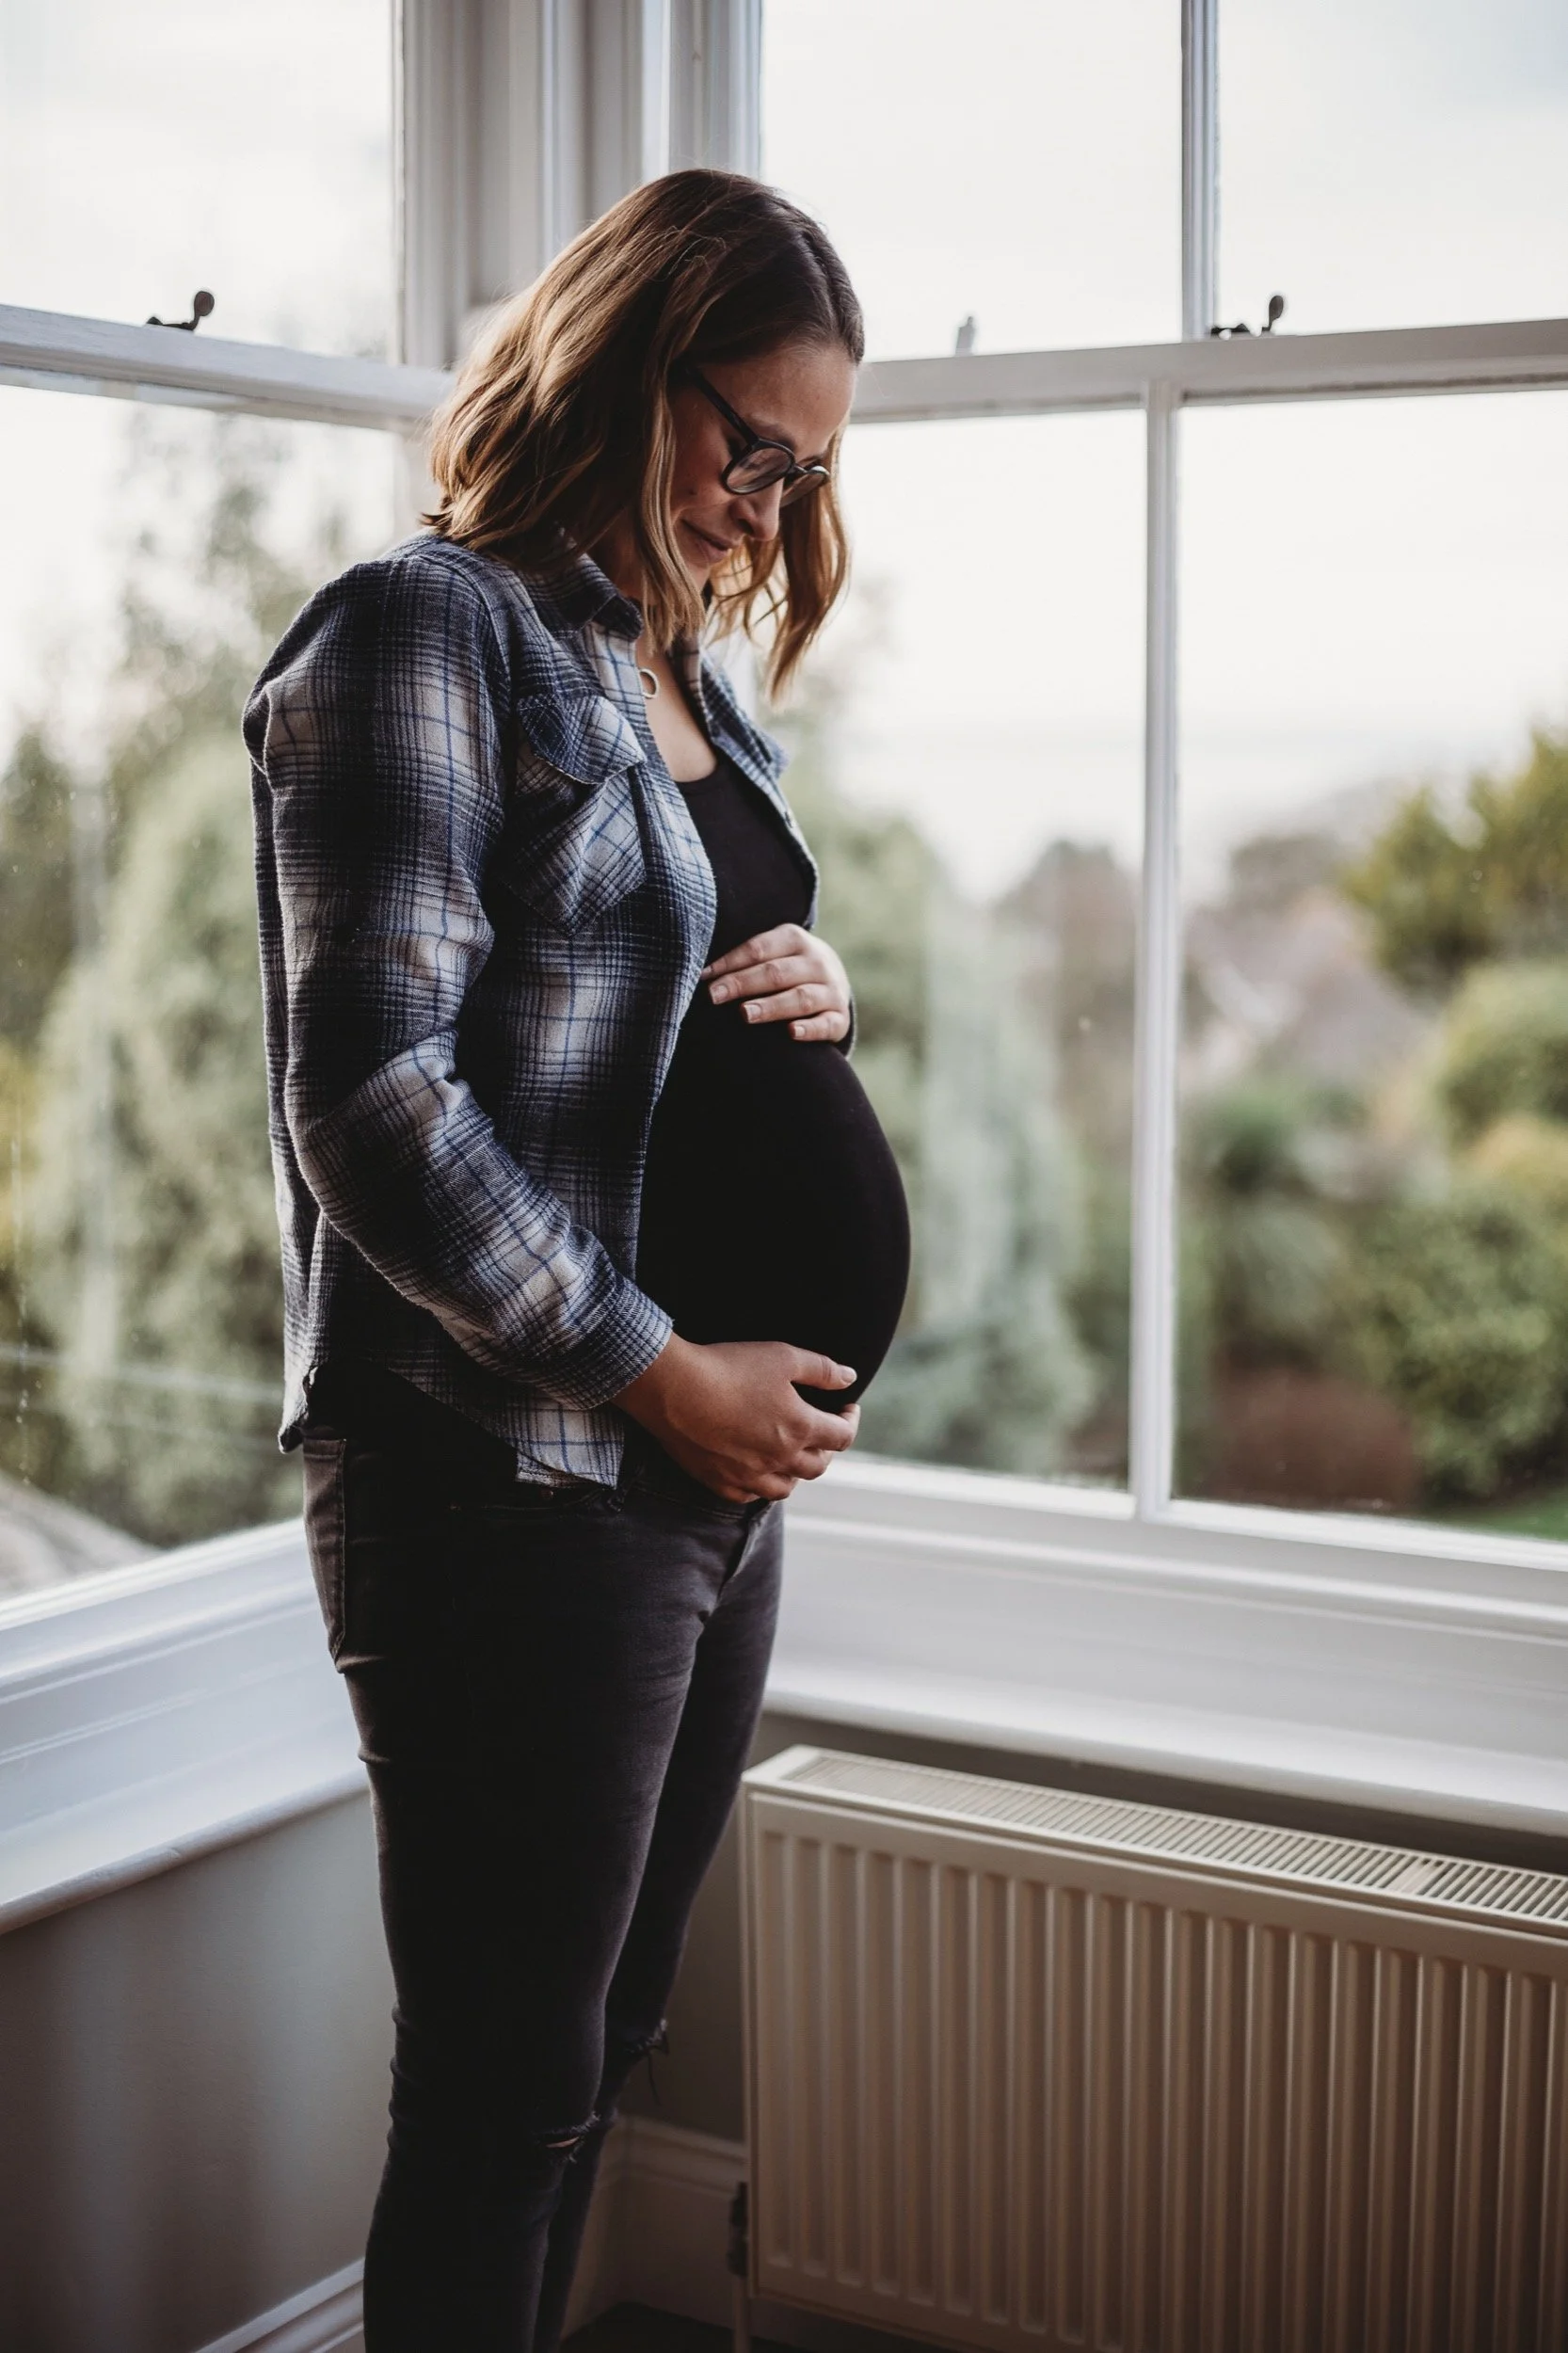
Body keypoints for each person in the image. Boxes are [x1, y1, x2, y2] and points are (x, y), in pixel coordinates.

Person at [244, 168, 909, 2352]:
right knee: (501, 2098)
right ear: (625, 364)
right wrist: (656, 1371)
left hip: (692, 1491)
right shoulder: (415, 631)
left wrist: (798, 977)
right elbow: (374, 1103)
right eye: (747, 441)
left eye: (805, 467)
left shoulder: (667, 662)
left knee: (593, 2058)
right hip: (507, 1481)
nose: (767, 501)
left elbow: (625, 1014)